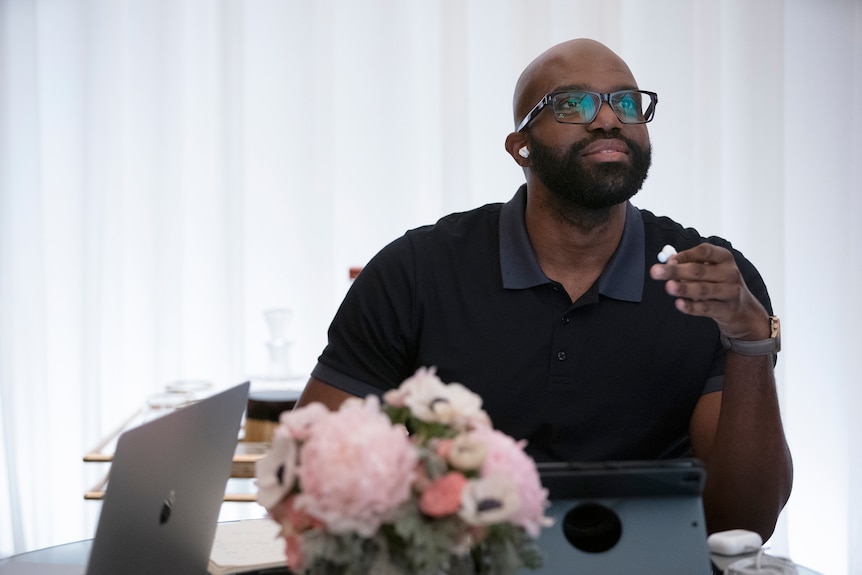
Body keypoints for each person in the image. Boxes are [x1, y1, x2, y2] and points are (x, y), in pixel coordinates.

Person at [297, 38, 792, 540]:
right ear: (520, 147)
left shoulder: (712, 281)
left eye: (626, 102)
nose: (607, 120)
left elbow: (743, 521)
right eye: (572, 104)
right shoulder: (417, 270)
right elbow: (310, 473)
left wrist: (749, 337)